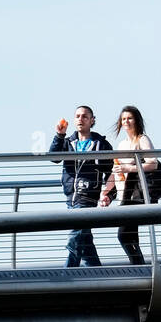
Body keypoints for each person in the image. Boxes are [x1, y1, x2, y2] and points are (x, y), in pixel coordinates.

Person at [49, 106, 112, 267]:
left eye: (85, 116)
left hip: (87, 198)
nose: (80, 119)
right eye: (77, 116)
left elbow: (113, 173)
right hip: (70, 198)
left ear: (92, 121)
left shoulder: (102, 144)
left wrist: (108, 195)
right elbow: (54, 158)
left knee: (75, 237)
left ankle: (66, 275)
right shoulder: (68, 142)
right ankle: (99, 276)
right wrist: (59, 134)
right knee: (85, 242)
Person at [99, 105, 159, 265]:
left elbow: (153, 164)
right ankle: (139, 266)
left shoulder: (142, 139)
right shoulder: (121, 144)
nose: (126, 121)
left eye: (129, 118)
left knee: (124, 234)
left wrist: (130, 168)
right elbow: (115, 170)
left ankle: (139, 266)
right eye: (123, 118)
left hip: (136, 194)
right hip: (123, 194)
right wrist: (105, 192)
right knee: (130, 234)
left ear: (136, 120)